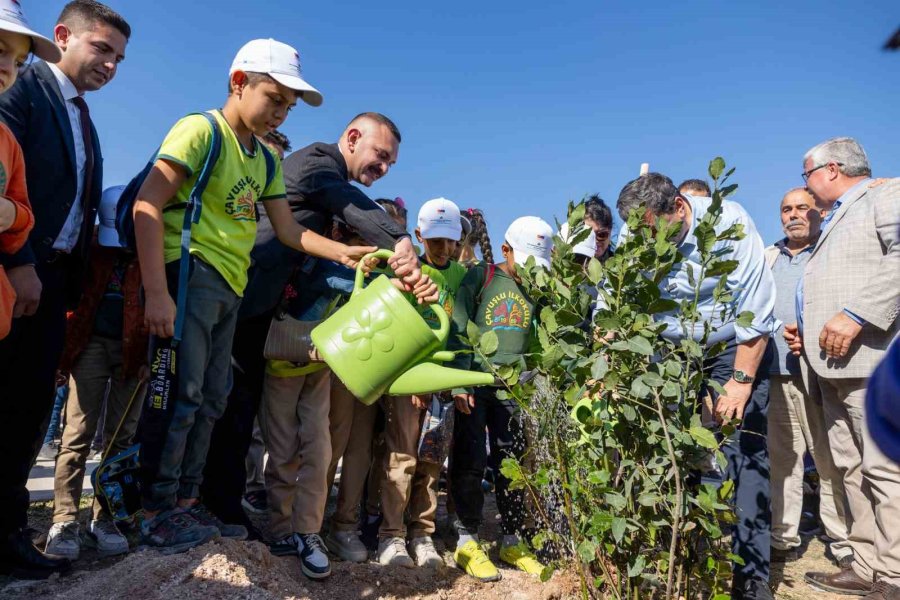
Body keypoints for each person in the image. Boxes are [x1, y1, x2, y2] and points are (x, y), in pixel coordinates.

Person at [132, 38, 375, 555]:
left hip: (231, 287)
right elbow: (147, 204)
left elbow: (290, 232)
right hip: (189, 272)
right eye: (274, 98)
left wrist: (344, 253)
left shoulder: (264, 160)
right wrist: (156, 291)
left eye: (289, 105)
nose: (280, 113)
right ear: (239, 82)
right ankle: (153, 509)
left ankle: (186, 502)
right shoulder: (201, 131)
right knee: (182, 394)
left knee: (213, 398)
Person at [200, 113, 435, 538]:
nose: (383, 169)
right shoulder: (318, 164)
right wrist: (401, 241)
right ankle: (201, 507)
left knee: (236, 413)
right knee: (221, 410)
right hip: (236, 300)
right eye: (380, 156)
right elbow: (355, 205)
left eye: (390, 164)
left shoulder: (327, 181)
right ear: (351, 137)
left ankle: (221, 508)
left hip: (260, 314)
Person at [0, 0, 125, 579]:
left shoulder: (85, 119)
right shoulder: (23, 86)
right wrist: (20, 259)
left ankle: (7, 533)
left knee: (25, 412)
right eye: (102, 49)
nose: (111, 65)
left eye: (120, 58)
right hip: (14, 269)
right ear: (62, 36)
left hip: (51, 284)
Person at [616, 173, 778, 600]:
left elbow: (756, 313)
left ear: (681, 208)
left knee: (742, 456)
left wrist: (740, 384)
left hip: (733, 346)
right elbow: (614, 294)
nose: (648, 244)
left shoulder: (729, 224)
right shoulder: (640, 235)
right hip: (673, 354)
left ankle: (751, 581)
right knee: (677, 453)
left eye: (654, 232)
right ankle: (689, 563)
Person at [786, 138, 900, 598]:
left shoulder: (885, 195)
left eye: (806, 175)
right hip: (832, 368)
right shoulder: (837, 217)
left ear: (831, 170)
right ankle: (868, 563)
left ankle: (895, 573)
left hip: (870, 364)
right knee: (851, 468)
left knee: (885, 469)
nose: (806, 187)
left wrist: (855, 315)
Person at [45, 186, 148, 560]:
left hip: (134, 351)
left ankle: (106, 517)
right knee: (77, 434)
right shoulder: (91, 249)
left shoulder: (154, 250)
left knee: (122, 439)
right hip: (90, 346)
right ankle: (65, 518)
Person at [448, 216, 553, 582]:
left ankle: (511, 539)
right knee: (470, 459)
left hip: (515, 387)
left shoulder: (540, 287)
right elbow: (459, 327)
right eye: (524, 262)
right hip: (476, 384)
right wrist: (460, 381)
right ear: (506, 250)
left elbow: (544, 334)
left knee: (513, 463)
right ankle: (467, 539)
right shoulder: (481, 276)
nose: (531, 272)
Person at [376, 198, 468, 569]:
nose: (444, 249)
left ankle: (422, 534)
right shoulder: (409, 274)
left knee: (432, 462)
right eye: (435, 241)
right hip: (410, 379)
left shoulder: (461, 277)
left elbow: (462, 331)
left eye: (450, 241)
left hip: (444, 382)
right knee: (402, 457)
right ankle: (391, 536)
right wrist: (413, 379)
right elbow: (399, 327)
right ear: (418, 236)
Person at [764, 188, 849, 565]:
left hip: (818, 374)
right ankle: (783, 539)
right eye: (786, 209)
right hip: (775, 374)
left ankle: (843, 542)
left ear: (818, 213)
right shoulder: (767, 257)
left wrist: (812, 334)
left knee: (829, 460)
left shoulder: (829, 254)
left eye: (802, 207)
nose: (793, 215)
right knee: (783, 462)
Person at [242, 129, 292, 517]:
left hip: (270, 325)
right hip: (234, 313)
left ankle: (253, 486)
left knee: (258, 420)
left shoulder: (282, 217)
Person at [583, 195, 614, 261]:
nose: (595, 241)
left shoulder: (620, 267)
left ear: (610, 232)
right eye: (588, 235)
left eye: (601, 234)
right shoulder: (567, 264)